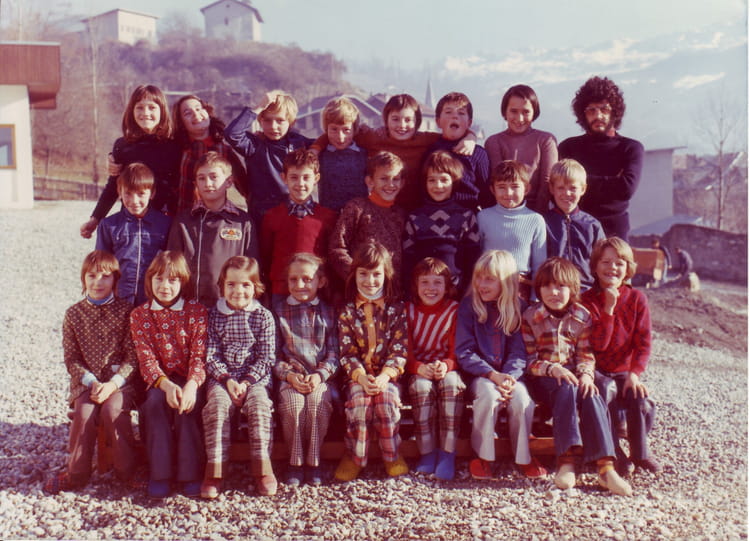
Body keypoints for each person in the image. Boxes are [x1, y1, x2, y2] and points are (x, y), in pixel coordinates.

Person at [522, 257, 632, 496]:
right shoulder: (530, 317)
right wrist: (553, 369)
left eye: (560, 286)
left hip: (574, 375)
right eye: (547, 286)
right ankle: (566, 461)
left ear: (572, 289)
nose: (554, 293)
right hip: (544, 379)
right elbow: (529, 361)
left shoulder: (582, 316)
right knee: (566, 387)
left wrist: (586, 376)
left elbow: (585, 354)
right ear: (539, 289)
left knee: (591, 392)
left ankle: (606, 468)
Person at [44, 251, 139, 494]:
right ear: (83, 278)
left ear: (115, 280)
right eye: (92, 275)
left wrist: (113, 384)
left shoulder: (126, 311)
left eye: (105, 276)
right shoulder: (73, 314)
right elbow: (71, 358)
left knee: (112, 411)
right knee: (84, 413)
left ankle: (126, 471)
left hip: (120, 383)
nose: (98, 282)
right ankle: (76, 474)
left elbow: (132, 357)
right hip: (87, 383)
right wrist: (92, 381)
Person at [456, 250, 544, 480]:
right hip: (480, 375)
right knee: (487, 395)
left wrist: (509, 377)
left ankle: (523, 457)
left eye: (489, 279)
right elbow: (464, 351)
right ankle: (483, 456)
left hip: (510, 376)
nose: (481, 285)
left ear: (506, 282)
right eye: (479, 278)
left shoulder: (519, 308)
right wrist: (492, 375)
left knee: (522, 399)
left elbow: (519, 351)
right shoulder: (469, 307)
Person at [130, 251, 208, 499]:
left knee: (187, 407)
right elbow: (146, 359)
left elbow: (199, 355)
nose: (165, 286)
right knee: (154, 404)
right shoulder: (140, 315)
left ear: (183, 282)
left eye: (172, 280)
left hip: (190, 379)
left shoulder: (196, 311)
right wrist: (165, 385)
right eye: (159, 279)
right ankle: (159, 473)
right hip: (159, 380)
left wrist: (191, 386)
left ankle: (189, 473)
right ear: (150, 280)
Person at [312, 93, 475, 211]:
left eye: (408, 120)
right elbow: (336, 132)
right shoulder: (374, 137)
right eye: (395, 119)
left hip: (416, 210)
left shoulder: (425, 140)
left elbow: (450, 135)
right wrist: (315, 149)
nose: (402, 125)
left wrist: (471, 137)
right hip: (382, 209)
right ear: (386, 120)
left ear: (417, 122)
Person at [581, 237, 662, 475]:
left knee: (638, 395)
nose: (612, 268)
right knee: (603, 391)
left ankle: (640, 452)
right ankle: (613, 451)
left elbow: (643, 343)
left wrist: (634, 374)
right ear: (595, 267)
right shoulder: (586, 301)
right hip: (596, 369)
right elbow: (598, 346)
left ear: (628, 268)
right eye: (605, 262)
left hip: (623, 370)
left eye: (619, 263)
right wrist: (608, 309)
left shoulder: (637, 299)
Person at [201, 256, 278, 499]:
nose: (238, 291)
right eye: (231, 284)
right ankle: (215, 470)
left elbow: (266, 358)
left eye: (246, 284)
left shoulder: (263, 316)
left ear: (256, 287)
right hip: (222, 378)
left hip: (254, 379)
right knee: (217, 406)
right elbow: (210, 355)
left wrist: (245, 382)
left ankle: (263, 468)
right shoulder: (214, 315)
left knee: (260, 405)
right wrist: (228, 381)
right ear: (222, 286)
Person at [334, 242, 409, 481]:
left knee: (387, 402)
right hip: (357, 377)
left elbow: (400, 350)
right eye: (363, 274)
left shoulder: (396, 309)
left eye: (376, 274)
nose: (370, 281)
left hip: (387, 376)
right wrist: (361, 377)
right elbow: (347, 352)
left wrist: (385, 376)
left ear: (386, 275)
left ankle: (392, 454)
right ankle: (355, 457)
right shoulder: (347, 310)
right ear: (354, 275)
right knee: (360, 404)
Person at [80, 84, 180, 238]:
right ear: (132, 111)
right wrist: (96, 218)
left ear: (162, 111)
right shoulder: (123, 146)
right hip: (130, 223)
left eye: (152, 108)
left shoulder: (175, 145)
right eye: (139, 107)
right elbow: (113, 186)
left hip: (165, 224)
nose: (145, 113)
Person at [273, 253, 339, 487]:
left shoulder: (329, 312)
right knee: (294, 405)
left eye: (307, 279)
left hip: (320, 378)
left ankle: (314, 461)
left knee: (316, 404)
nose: (300, 285)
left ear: (320, 282)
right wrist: (288, 375)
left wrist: (320, 375)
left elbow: (334, 353)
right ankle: (295, 462)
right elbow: (274, 355)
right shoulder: (278, 312)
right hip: (290, 378)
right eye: (293, 279)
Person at [168, 151, 258, 307]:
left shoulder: (243, 222)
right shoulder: (184, 221)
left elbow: (252, 269)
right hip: (190, 306)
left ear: (229, 182)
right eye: (201, 178)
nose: (208, 183)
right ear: (195, 183)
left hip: (230, 306)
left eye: (214, 177)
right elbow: (172, 265)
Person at [558, 76, 644, 241]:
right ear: (582, 114)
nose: (598, 115)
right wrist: (612, 182)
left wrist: (578, 182)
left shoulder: (630, 148)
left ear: (615, 111)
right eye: (591, 110)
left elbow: (626, 188)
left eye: (604, 109)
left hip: (614, 233)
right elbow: (558, 187)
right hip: (574, 229)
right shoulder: (568, 147)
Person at [406, 257, 464, 480]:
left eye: (437, 282)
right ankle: (427, 452)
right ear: (415, 285)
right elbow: (404, 348)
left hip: (446, 366)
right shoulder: (408, 310)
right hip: (419, 368)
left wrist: (447, 365)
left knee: (451, 385)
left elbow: (458, 347)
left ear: (447, 286)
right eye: (425, 282)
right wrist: (417, 367)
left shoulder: (454, 310)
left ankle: (447, 452)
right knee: (421, 388)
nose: (431, 288)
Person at [224, 90, 313, 225]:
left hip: (292, 213)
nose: (273, 126)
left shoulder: (299, 144)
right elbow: (232, 134)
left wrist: (316, 148)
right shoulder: (254, 145)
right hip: (261, 216)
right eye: (267, 120)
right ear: (260, 121)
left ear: (292, 122)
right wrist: (258, 108)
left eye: (280, 121)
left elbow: (328, 141)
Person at [260, 149, 337, 302]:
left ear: (316, 178)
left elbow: (332, 258)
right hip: (281, 292)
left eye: (306, 177)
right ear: (284, 178)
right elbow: (265, 257)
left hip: (317, 291)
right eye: (294, 177)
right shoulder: (271, 216)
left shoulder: (328, 217)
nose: (300, 184)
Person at [402, 150, 481, 297]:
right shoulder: (415, 217)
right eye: (432, 180)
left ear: (454, 182)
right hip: (424, 292)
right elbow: (408, 259)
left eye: (444, 180)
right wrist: (411, 292)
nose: (438, 185)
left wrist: (466, 292)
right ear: (425, 182)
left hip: (456, 290)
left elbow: (473, 258)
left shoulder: (466, 216)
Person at [329, 151, 407, 293]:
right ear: (370, 181)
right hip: (360, 290)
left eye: (395, 179)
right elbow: (337, 248)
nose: (390, 184)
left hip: (391, 292)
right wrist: (357, 278)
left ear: (402, 183)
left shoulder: (401, 214)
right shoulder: (357, 208)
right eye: (384, 178)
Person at [95, 163, 172, 305]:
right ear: (119, 191)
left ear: (152, 193)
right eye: (128, 193)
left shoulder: (166, 224)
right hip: (119, 299)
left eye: (141, 194)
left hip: (153, 300)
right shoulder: (109, 225)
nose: (134, 201)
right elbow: (101, 266)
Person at [477, 160, 547, 300]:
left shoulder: (535, 220)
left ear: (526, 189)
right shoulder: (483, 217)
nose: (508, 193)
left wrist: (535, 298)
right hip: (487, 285)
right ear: (492, 190)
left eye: (515, 187)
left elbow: (539, 264)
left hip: (519, 287)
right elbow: (476, 256)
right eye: (501, 187)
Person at [484, 84, 558, 213]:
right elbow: (498, 182)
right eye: (514, 111)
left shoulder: (545, 140)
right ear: (505, 112)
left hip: (538, 211)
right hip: (503, 210)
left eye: (526, 112)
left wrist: (536, 216)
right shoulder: (494, 142)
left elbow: (547, 182)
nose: (520, 118)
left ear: (534, 112)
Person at [172, 94, 248, 214]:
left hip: (216, 218)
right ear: (181, 123)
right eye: (188, 113)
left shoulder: (224, 150)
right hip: (184, 218)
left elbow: (245, 188)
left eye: (199, 108)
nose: (196, 114)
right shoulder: (177, 149)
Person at [543, 159, 605, 291]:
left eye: (573, 188)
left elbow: (602, 261)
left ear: (583, 189)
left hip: (585, 291)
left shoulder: (592, 226)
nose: (567, 193)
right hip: (554, 291)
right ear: (551, 188)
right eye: (561, 188)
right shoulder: (543, 223)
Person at [425, 92, 492, 210]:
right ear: (438, 121)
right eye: (448, 112)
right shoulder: (430, 150)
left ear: (469, 123)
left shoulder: (478, 153)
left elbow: (486, 194)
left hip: (468, 215)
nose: (454, 116)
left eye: (461, 113)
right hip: (434, 215)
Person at [317, 96, 368, 212]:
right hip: (329, 216)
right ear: (326, 129)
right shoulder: (320, 155)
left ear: (354, 130)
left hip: (358, 216)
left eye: (346, 130)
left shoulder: (364, 154)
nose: (340, 137)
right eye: (334, 129)